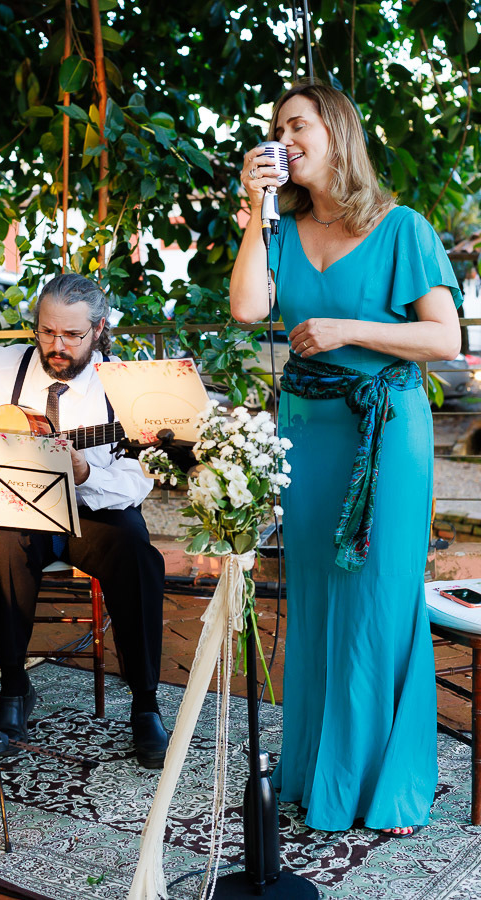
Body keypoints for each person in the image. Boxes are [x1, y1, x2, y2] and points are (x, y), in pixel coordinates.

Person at [230, 81, 462, 836]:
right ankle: (317, 770)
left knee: (378, 597)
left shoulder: (402, 228)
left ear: (336, 132)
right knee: (318, 597)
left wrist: (346, 329)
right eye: (276, 127)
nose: (283, 138)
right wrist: (256, 212)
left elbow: (446, 339)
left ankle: (382, 780)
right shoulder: (281, 228)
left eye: (298, 124)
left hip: (386, 429)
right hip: (308, 431)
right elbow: (248, 309)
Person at [0, 273, 169, 768]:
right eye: (47, 331)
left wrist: (86, 473)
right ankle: (16, 687)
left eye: (72, 335)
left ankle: (145, 703)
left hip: (96, 511)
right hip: (24, 508)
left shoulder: (123, 387)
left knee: (137, 554)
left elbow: (137, 483)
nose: (56, 346)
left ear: (99, 329)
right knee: (6, 543)